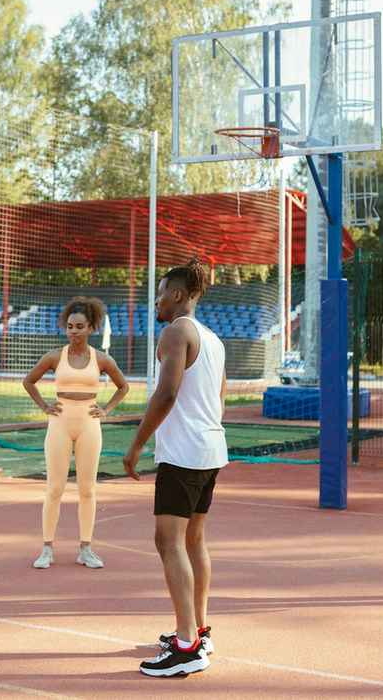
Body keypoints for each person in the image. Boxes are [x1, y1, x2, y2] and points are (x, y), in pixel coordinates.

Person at [123, 260, 226, 678]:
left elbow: (165, 395)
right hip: (210, 448)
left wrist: (136, 445)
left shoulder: (176, 332)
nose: (157, 300)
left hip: (184, 453)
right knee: (194, 540)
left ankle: (187, 647)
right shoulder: (213, 339)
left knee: (168, 542)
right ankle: (198, 630)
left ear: (179, 295)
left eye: (162, 292)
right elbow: (220, 397)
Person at [22, 296, 129, 570]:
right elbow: (29, 381)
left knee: (87, 489)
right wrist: (44, 406)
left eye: (79, 327)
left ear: (91, 327)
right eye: (70, 326)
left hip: (88, 424)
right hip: (59, 422)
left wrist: (106, 409)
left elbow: (123, 386)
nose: (74, 331)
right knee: (54, 488)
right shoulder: (54, 356)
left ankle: (86, 549)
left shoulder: (101, 359)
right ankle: (47, 549)